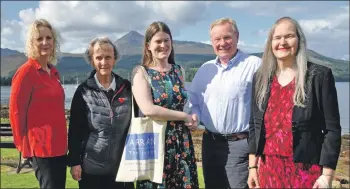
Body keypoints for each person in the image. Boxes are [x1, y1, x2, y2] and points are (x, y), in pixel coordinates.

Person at [247, 16, 342, 189]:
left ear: (299, 40)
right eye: (277, 38)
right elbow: (254, 125)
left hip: (306, 171)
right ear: (270, 43)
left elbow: (332, 130)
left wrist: (327, 176)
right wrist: (252, 166)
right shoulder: (260, 78)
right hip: (268, 169)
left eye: (289, 36)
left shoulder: (319, 76)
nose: (282, 42)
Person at [187, 18, 261, 189]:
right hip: (210, 144)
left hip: (240, 146)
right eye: (217, 39)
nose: (222, 43)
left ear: (237, 36)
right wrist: (194, 115)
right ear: (212, 42)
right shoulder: (205, 69)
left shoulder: (254, 65)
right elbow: (194, 101)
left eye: (226, 37)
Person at [132, 21, 199, 189]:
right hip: (154, 143)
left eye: (166, 40)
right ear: (148, 45)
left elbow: (184, 105)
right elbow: (149, 109)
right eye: (158, 41)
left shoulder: (179, 70)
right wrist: (184, 117)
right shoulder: (141, 72)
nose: (163, 45)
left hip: (181, 143)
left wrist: (193, 118)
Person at [67, 37, 134, 189]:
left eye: (108, 57)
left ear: (115, 59)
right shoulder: (83, 91)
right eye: (99, 57)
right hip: (91, 170)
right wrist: (75, 162)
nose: (104, 62)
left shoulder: (127, 88)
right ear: (92, 61)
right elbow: (75, 130)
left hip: (123, 170)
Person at [9, 19, 67, 189]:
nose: (45, 42)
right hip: (41, 148)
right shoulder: (25, 72)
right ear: (31, 42)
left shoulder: (54, 73)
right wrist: (23, 147)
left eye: (49, 38)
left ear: (53, 42)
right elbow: (16, 112)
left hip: (60, 146)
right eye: (39, 39)